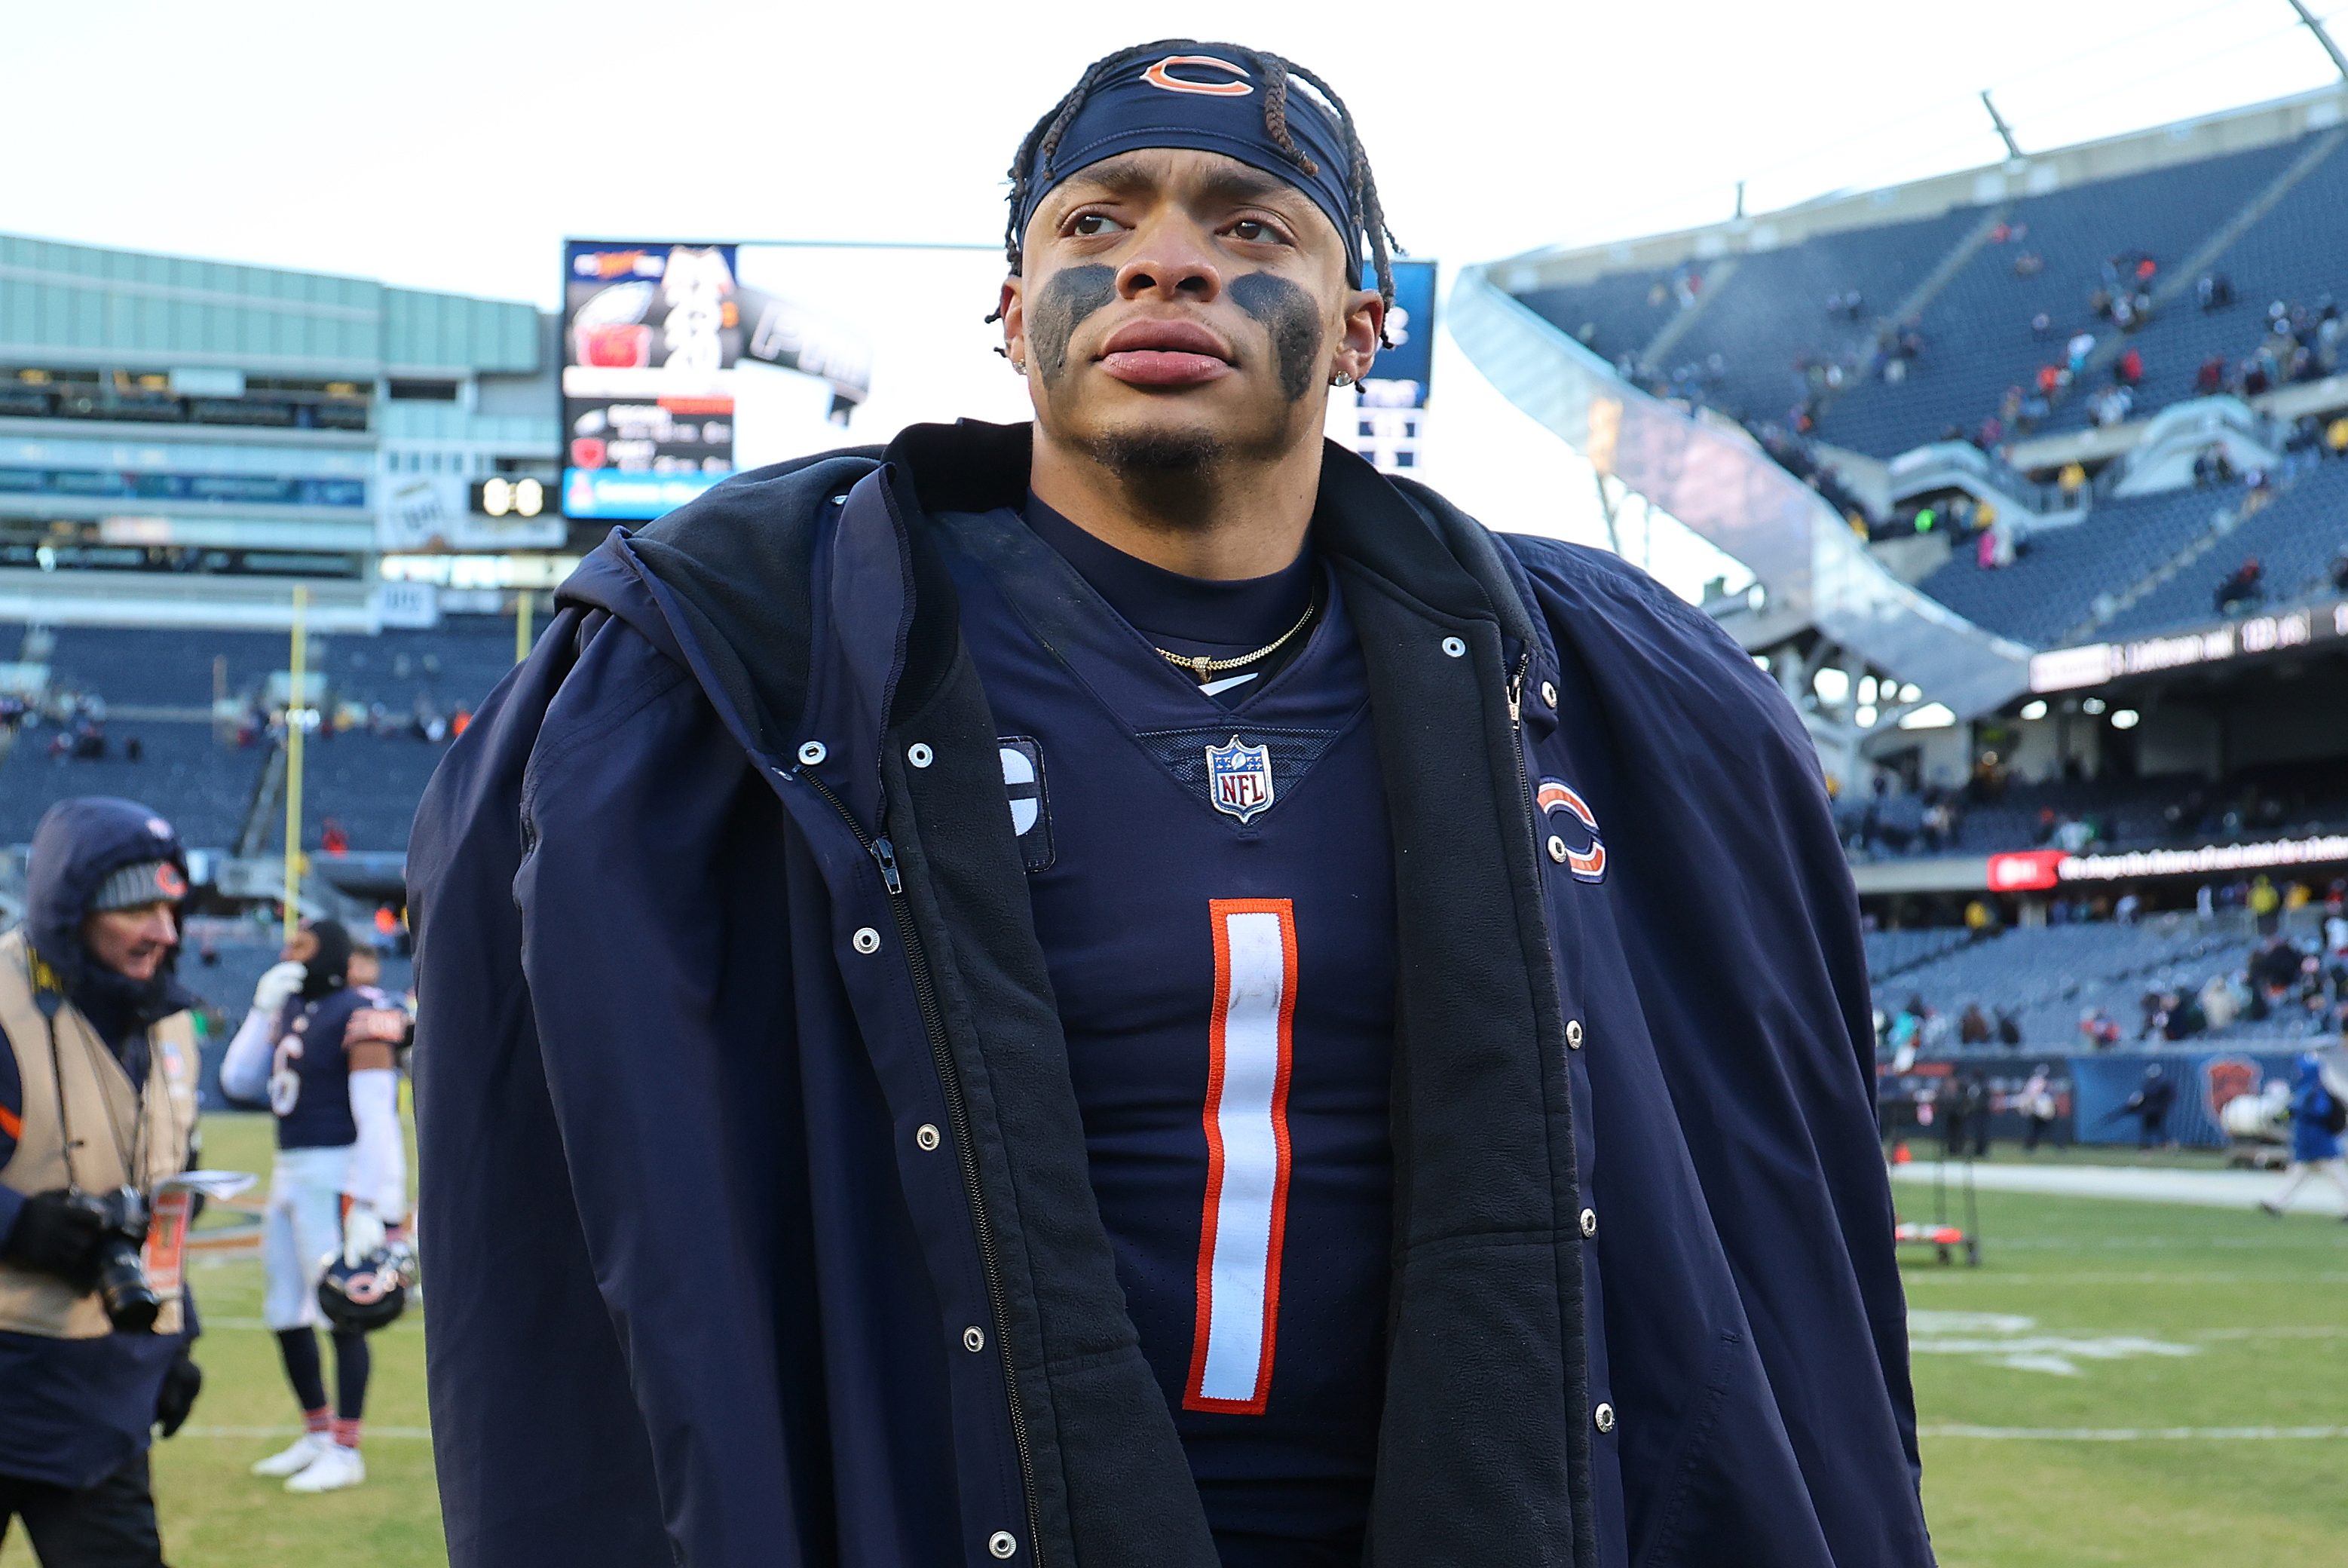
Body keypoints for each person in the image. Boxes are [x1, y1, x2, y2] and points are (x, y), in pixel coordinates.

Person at [409, 40, 1933, 1568]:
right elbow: (564, 1210)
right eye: (1098, 221)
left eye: (1250, 225)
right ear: (1012, 313)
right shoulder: (742, 659)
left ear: (1362, 327)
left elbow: (1776, 1186)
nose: (1164, 264)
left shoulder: (1605, 682)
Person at [0, 798, 204, 1564]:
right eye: (136, 909)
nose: (165, 931)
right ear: (72, 907)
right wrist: (18, 1224)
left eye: (170, 908)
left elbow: (169, 1192)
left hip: (98, 1394)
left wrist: (176, 1335)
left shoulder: (169, 1022)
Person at [218, 918, 409, 1494]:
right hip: (289, 1169)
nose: (288, 952)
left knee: (340, 1308)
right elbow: (238, 1081)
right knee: (283, 1309)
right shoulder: (289, 1007)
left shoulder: (360, 1012)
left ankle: (346, 1450)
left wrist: (374, 1201)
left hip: (335, 1171)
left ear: (327, 951)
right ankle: (317, 1433)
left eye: (300, 945)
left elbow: (377, 1114)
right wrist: (260, 1012)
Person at [2260, 1053, 2348, 1217]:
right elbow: (2292, 1110)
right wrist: (2284, 1114)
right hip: (2308, 1140)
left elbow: (2320, 1111)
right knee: (2302, 1173)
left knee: (2335, 1172)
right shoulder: (2306, 1090)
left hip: (2318, 1140)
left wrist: (2297, 1111)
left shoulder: (2315, 1091)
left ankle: (2276, 1202)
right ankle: (2275, 1203)